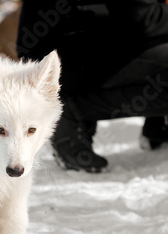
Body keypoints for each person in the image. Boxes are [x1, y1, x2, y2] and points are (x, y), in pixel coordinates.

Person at [17, 0, 168, 172]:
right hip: (59, 55)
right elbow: (141, 17)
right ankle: (70, 110)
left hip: (83, 38)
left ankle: (158, 125)